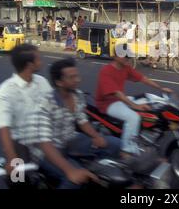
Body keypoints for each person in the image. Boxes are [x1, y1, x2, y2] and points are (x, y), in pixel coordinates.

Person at [27, 58, 121, 189]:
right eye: (72, 77)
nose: (78, 80)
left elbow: (82, 120)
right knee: (77, 179)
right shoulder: (46, 103)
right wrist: (70, 171)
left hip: (71, 140)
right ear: (59, 82)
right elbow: (44, 143)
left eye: (77, 75)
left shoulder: (77, 95)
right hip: (48, 150)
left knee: (116, 144)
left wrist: (96, 136)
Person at [95, 49, 173, 156]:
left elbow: (142, 78)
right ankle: (126, 150)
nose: (127, 58)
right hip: (107, 103)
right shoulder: (106, 71)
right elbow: (116, 93)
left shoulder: (125, 68)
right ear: (116, 57)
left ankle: (142, 136)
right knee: (133, 117)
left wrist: (161, 88)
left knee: (149, 101)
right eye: (124, 55)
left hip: (120, 99)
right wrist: (135, 106)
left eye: (127, 55)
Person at [0, 44, 53, 177]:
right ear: (29, 65)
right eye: (38, 59)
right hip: (21, 145)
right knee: (19, 180)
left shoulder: (42, 82)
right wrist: (12, 158)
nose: (41, 61)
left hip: (47, 138)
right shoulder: (5, 93)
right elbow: (4, 129)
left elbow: (52, 108)